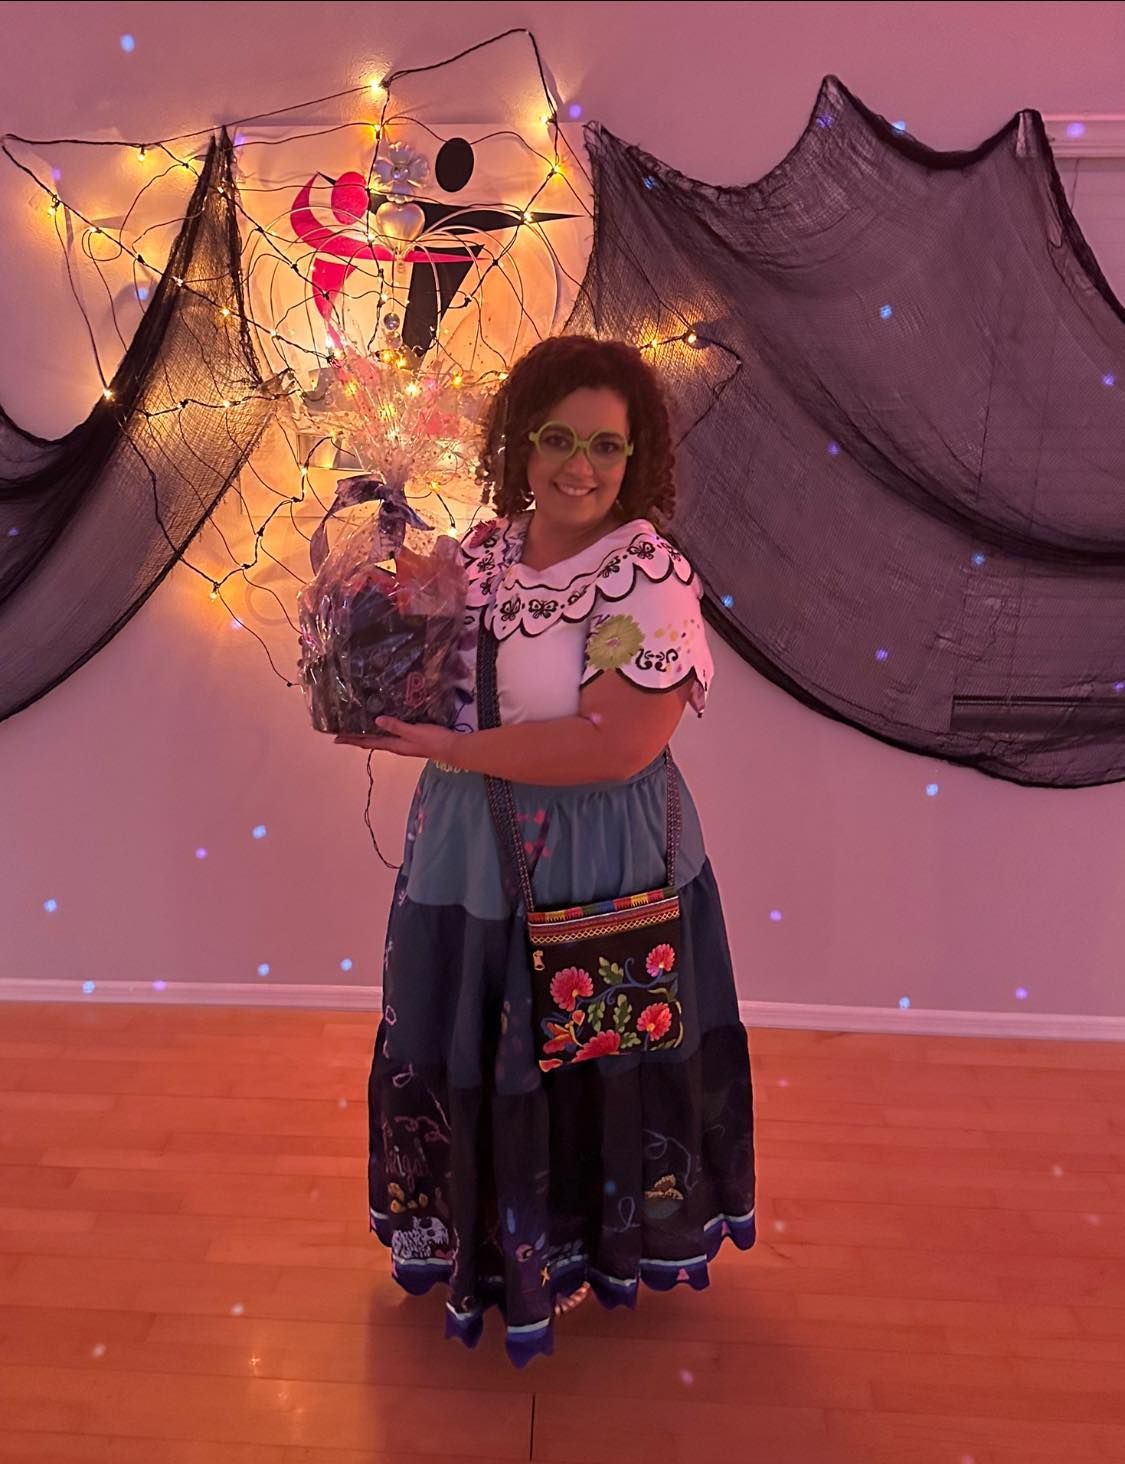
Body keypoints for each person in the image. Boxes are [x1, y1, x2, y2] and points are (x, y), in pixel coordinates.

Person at [335, 334, 757, 1366]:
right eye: (556, 438)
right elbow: (430, 658)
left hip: (591, 847)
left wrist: (451, 747)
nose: (580, 466)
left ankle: (580, 1250)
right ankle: (485, 1243)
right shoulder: (480, 550)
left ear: (636, 455)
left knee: (580, 1038)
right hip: (469, 844)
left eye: (605, 446)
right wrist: (360, 632)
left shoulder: (641, 576)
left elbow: (617, 743)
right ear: (517, 444)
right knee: (472, 1038)